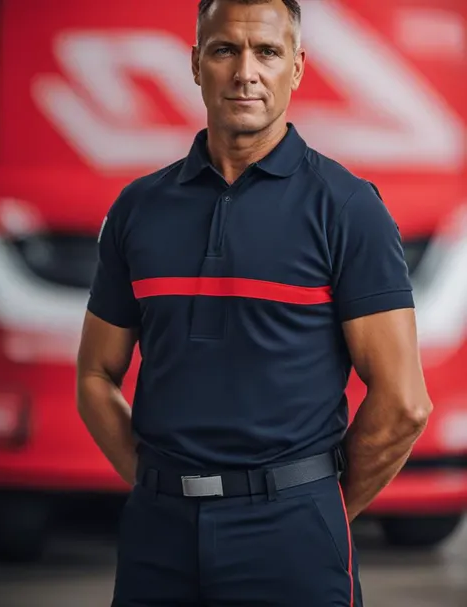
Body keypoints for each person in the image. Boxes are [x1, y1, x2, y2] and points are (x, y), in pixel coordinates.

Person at [76, 0, 433, 605]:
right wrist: (153, 484)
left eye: (267, 52)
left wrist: (317, 506)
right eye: (225, 49)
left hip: (294, 536)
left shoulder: (348, 211)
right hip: (156, 539)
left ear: (295, 67)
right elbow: (94, 373)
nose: (246, 71)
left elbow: (405, 404)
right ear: (195, 63)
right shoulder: (138, 209)